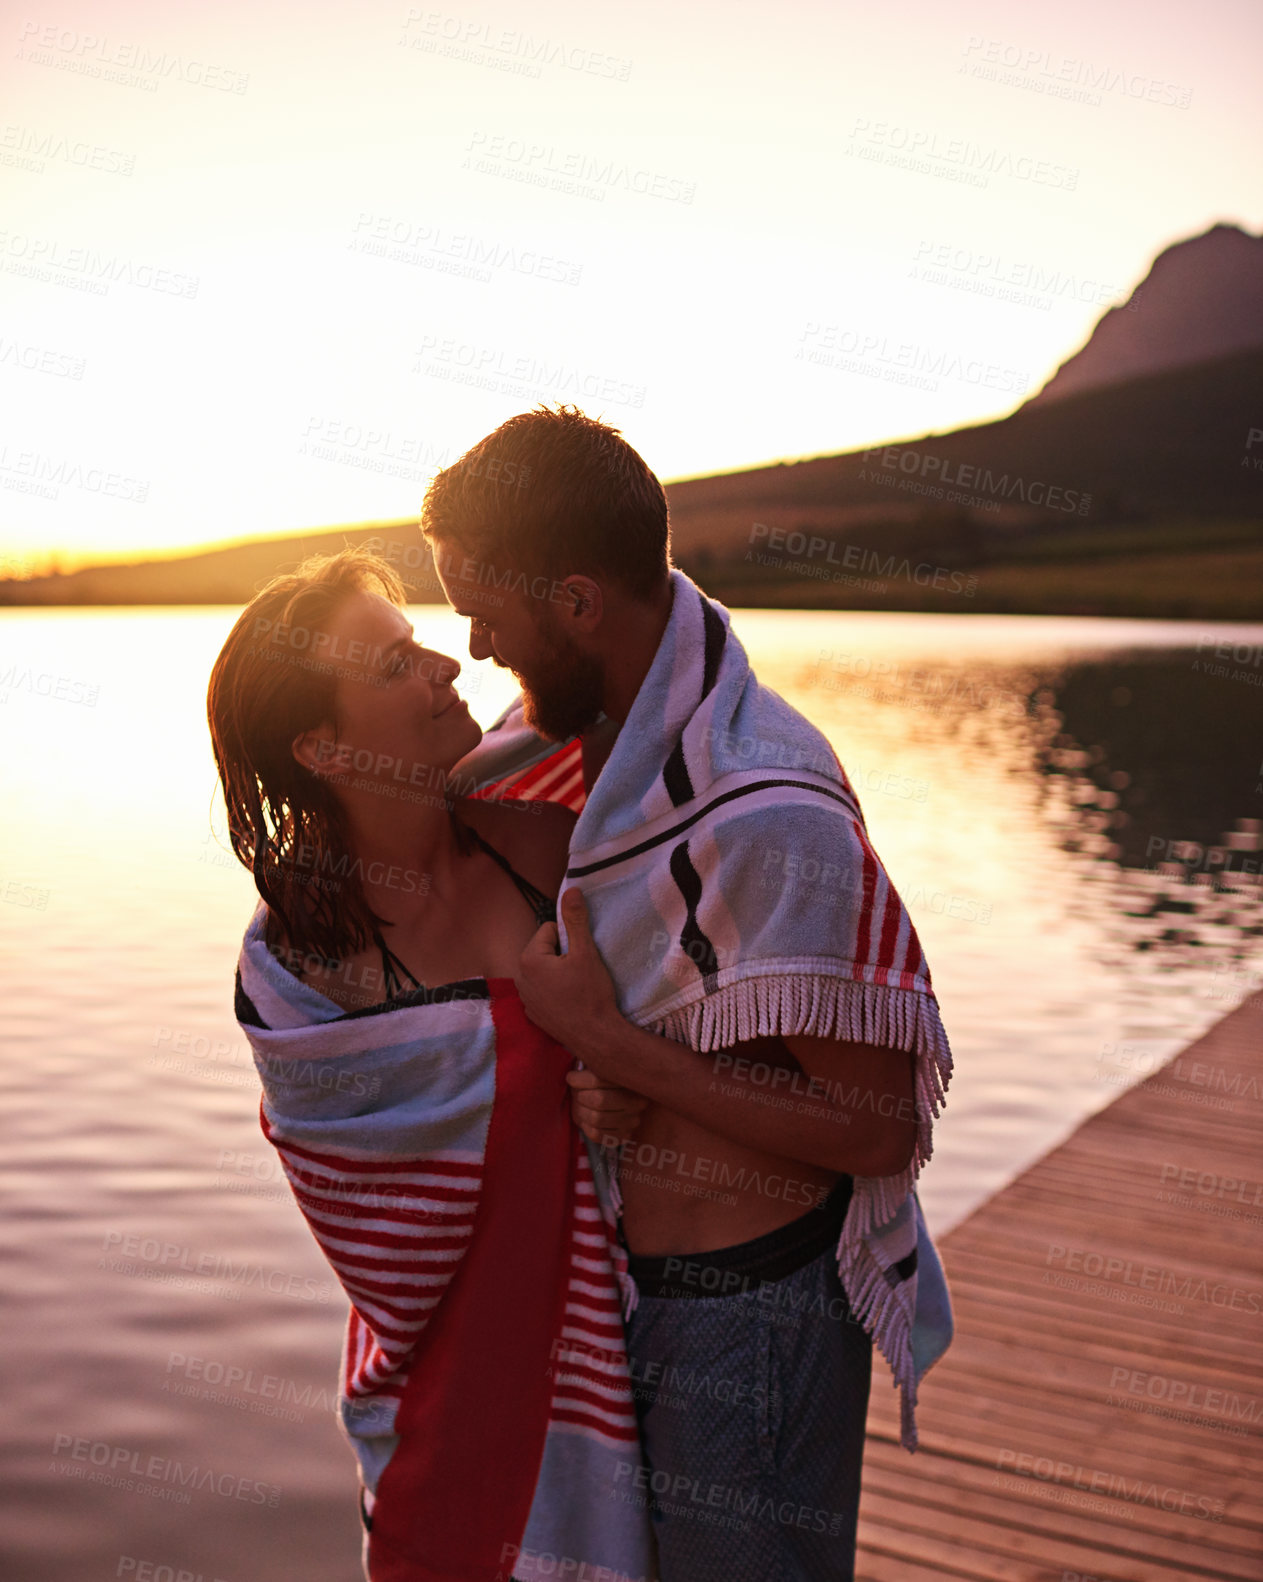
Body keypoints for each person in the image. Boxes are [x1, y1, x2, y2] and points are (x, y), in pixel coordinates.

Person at [423, 406, 956, 1582]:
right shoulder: (598, 750)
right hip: (656, 1295)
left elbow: (880, 1125)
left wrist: (617, 1044)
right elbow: (705, 1021)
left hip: (753, 1316)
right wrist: (625, 1077)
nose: (470, 643)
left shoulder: (765, 805)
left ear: (575, 602)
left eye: (484, 607)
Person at [205, 546, 656, 1582]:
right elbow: (382, 1228)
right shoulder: (305, 979)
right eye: (396, 664)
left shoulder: (547, 843)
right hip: (440, 1418)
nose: (445, 667)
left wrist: (631, 1080)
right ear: (322, 744)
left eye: (423, 646)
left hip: (613, 1373)